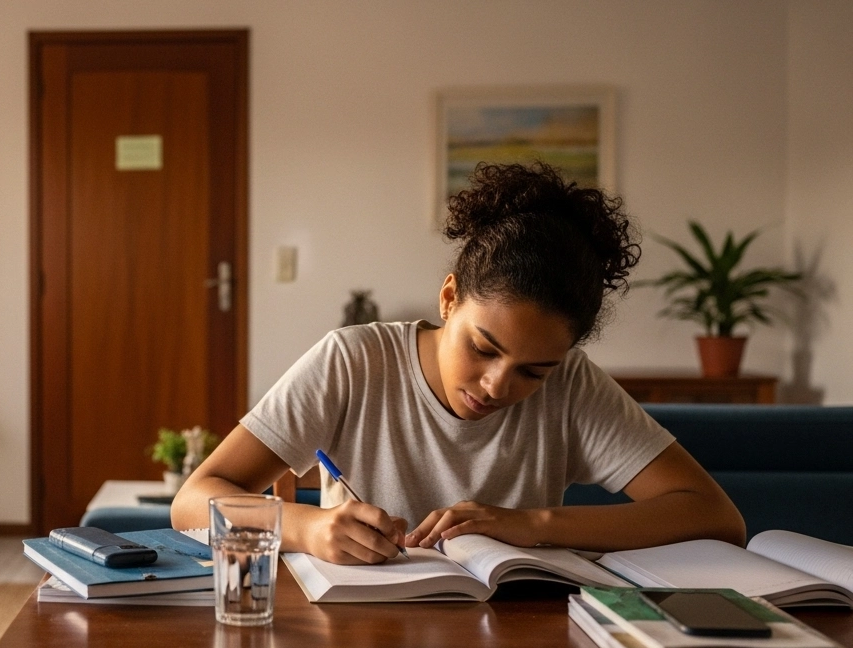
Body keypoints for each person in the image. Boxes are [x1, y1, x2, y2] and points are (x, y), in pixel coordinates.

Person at [171, 162, 746, 565]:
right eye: (483, 348)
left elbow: (715, 517)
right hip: (359, 643)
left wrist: (533, 525)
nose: (497, 385)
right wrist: (308, 527)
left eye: (534, 371)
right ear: (449, 299)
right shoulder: (353, 361)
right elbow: (192, 500)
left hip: (513, 643)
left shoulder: (572, 386)